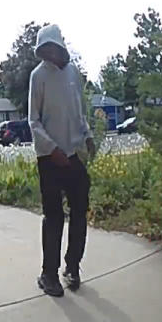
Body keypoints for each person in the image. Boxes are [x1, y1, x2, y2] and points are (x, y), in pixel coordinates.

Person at [28, 24, 96, 297]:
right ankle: (49, 274)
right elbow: (33, 120)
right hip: (50, 157)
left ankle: (72, 266)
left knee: (80, 211)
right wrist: (51, 148)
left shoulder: (73, 73)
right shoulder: (38, 76)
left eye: (50, 48)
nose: (47, 54)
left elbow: (78, 112)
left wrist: (88, 135)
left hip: (73, 154)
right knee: (54, 216)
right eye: (42, 49)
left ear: (59, 47)